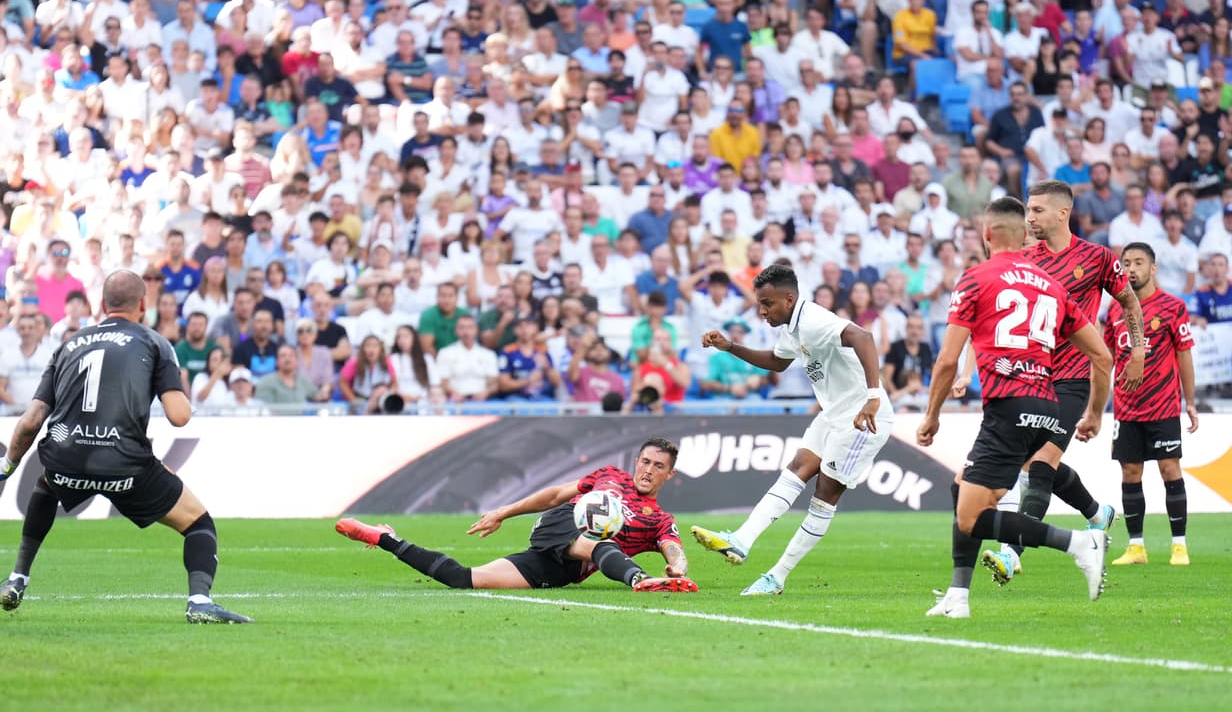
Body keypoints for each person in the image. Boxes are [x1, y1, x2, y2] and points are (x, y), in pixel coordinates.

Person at [0, 270, 250, 624]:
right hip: (125, 466)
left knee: (46, 483)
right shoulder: (155, 343)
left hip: (66, 459)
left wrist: (8, 463)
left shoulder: (68, 344)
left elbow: (33, 418)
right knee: (199, 525)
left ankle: (17, 579)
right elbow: (179, 417)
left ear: (102, 306)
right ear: (144, 305)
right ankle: (199, 602)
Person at [917, 197, 1113, 618]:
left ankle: (1080, 543)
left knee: (971, 517)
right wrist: (1095, 411)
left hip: (1008, 406)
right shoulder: (1051, 285)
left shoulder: (976, 277)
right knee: (962, 487)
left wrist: (931, 415)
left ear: (986, 235)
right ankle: (958, 596)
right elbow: (1103, 356)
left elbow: (948, 359)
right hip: (1047, 407)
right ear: (1024, 237)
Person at [973, 180, 1146, 585]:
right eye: (1027, 211)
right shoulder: (1024, 258)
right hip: (1029, 376)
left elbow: (1128, 302)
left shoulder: (1097, 258)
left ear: (1062, 213)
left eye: (1035, 211)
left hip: (1070, 379)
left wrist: (1137, 351)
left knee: (1040, 465)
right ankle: (1097, 514)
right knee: (1034, 462)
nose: (1029, 218)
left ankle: (1012, 555)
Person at [690, 264, 894, 596]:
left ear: (789, 298)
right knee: (798, 468)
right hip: (833, 414)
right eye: (759, 304)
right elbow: (777, 361)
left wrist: (873, 397)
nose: (762, 311)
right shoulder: (793, 328)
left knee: (824, 495)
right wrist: (730, 347)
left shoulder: (814, 320)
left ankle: (777, 576)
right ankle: (741, 540)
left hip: (862, 419)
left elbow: (863, 336)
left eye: (767, 304)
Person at [335, 438, 696, 592]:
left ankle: (384, 538)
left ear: (669, 474)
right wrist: (504, 512)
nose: (648, 470)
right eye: (645, 461)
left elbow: (674, 547)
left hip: (564, 565)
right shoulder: (610, 476)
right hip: (561, 524)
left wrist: (677, 570)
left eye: (658, 466)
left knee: (465, 579)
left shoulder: (658, 519)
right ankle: (637, 580)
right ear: (637, 461)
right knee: (597, 539)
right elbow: (555, 494)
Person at [1106, 242, 1199, 567]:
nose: (1131, 269)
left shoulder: (1173, 307)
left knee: (1169, 469)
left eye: (1138, 262)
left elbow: (1184, 354)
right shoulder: (1115, 311)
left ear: (1153, 268)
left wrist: (1190, 401)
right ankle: (1136, 547)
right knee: (1130, 472)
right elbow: (1105, 358)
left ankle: (1179, 546)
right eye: (1126, 263)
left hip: (1163, 407)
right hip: (1126, 408)